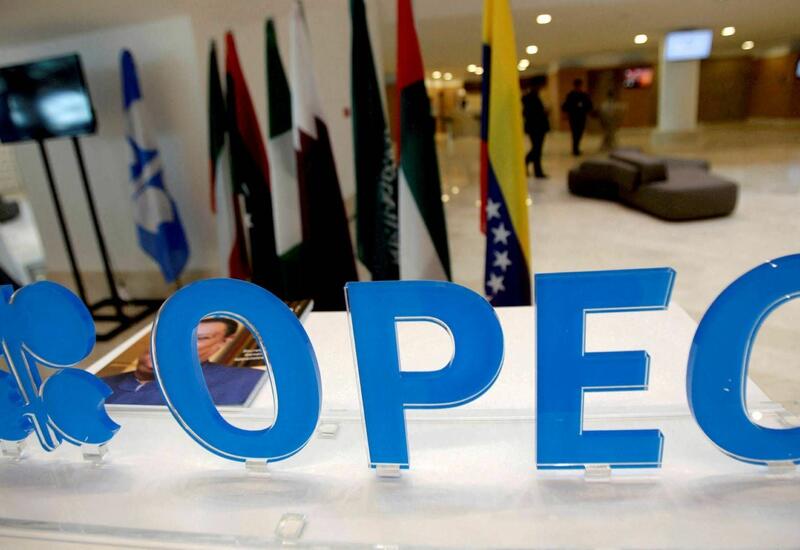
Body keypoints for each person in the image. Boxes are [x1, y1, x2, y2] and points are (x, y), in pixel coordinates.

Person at [103, 318, 265, 406]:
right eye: (173, 335)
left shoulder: (246, 381)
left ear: (224, 342)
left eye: (200, 338)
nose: (179, 344)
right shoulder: (101, 384)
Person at [522, 77, 550, 179]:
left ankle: (536, 169)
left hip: (537, 126)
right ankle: (533, 167)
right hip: (535, 127)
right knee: (537, 149)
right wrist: (543, 113)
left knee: (537, 149)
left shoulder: (533, 97)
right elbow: (529, 113)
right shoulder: (529, 98)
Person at [561, 78, 593, 156]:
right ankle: (575, 148)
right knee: (575, 132)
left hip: (581, 116)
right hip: (573, 117)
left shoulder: (584, 95)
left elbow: (589, 105)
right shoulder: (570, 95)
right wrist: (566, 113)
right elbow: (565, 106)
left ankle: (576, 147)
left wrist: (587, 110)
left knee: (580, 132)